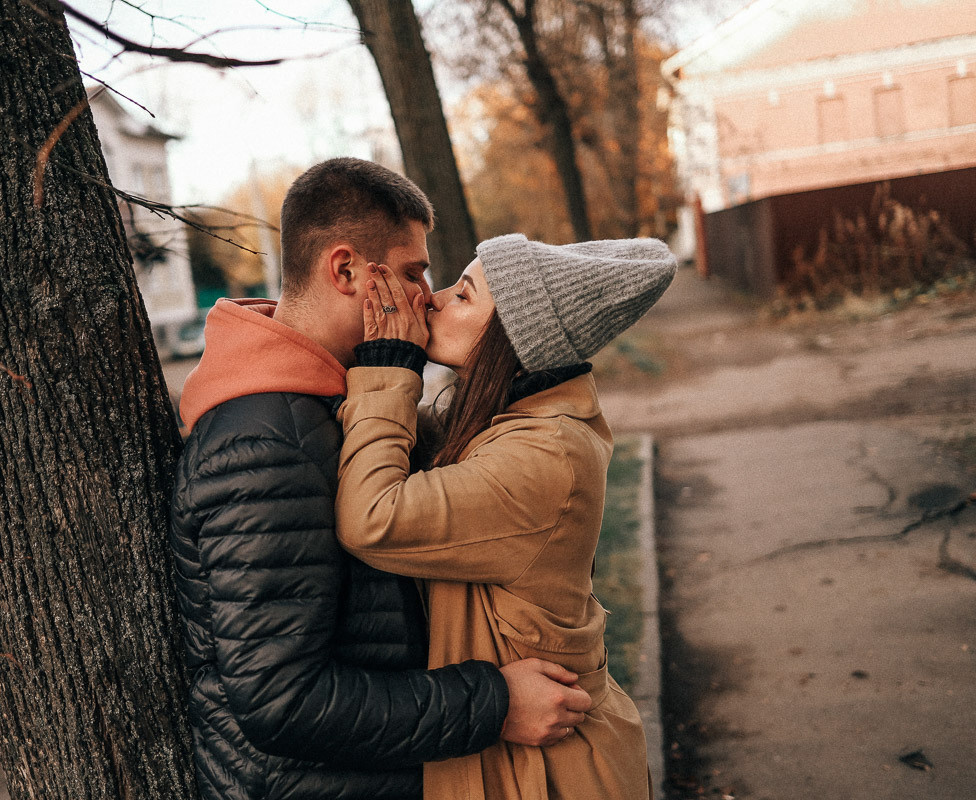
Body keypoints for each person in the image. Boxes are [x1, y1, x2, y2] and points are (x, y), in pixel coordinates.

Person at [169, 159, 593, 800]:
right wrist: (493, 703)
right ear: (345, 271)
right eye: (414, 272)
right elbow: (281, 700)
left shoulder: (324, 406)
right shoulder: (265, 439)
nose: (427, 295)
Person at [335, 234, 678, 800]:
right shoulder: (515, 424)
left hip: (551, 774)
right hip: (520, 760)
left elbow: (373, 516)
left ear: (516, 340)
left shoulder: (543, 457)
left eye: (464, 297)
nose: (433, 299)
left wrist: (387, 367)